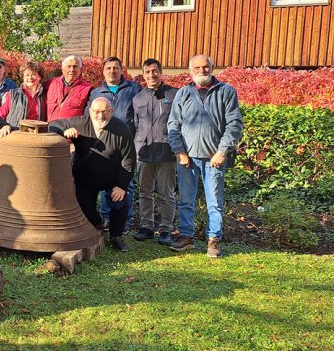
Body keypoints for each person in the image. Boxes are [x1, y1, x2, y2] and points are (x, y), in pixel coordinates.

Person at [167, 54, 244, 258]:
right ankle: (186, 237)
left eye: (206, 67)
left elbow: (234, 125)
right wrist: (179, 151)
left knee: (214, 202)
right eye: (197, 68)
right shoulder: (183, 93)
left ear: (212, 68)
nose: (202, 71)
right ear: (190, 70)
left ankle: (213, 240)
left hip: (214, 159)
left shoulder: (226, 92)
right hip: (187, 158)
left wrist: (222, 151)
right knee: (185, 199)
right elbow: (173, 125)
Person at [50, 97, 136, 251]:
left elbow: (128, 160)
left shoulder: (121, 129)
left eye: (105, 112)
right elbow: (53, 125)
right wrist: (65, 131)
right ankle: (101, 223)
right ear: (90, 111)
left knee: (120, 203)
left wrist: (121, 186)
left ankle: (116, 236)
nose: (100, 116)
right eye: (96, 111)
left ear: (111, 112)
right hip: (85, 178)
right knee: (85, 208)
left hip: (112, 177)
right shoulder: (80, 123)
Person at [88, 56, 141, 232]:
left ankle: (124, 220)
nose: (112, 71)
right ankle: (107, 219)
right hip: (104, 147)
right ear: (103, 71)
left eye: (115, 68)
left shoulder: (133, 89)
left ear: (121, 70)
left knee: (126, 184)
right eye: (108, 68)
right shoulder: (96, 93)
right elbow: (89, 117)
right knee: (105, 186)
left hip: (126, 146)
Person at [132, 59, 177, 245]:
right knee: (144, 192)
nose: (152, 75)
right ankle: (147, 227)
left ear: (161, 72)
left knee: (166, 193)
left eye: (155, 71)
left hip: (167, 152)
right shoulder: (138, 97)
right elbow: (136, 124)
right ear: (143, 74)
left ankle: (166, 229)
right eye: (148, 72)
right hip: (144, 152)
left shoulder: (174, 94)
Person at [0, 61, 47, 135]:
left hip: (37, 136)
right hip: (15, 135)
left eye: (34, 74)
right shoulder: (12, 94)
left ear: (39, 77)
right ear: (23, 77)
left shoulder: (45, 95)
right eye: (27, 75)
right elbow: (0, 116)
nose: (30, 78)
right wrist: (5, 126)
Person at [45, 55, 91, 122]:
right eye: (69, 66)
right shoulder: (51, 83)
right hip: (50, 129)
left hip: (72, 130)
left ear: (80, 70)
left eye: (75, 66)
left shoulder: (88, 88)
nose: (72, 70)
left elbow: (89, 114)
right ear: (63, 69)